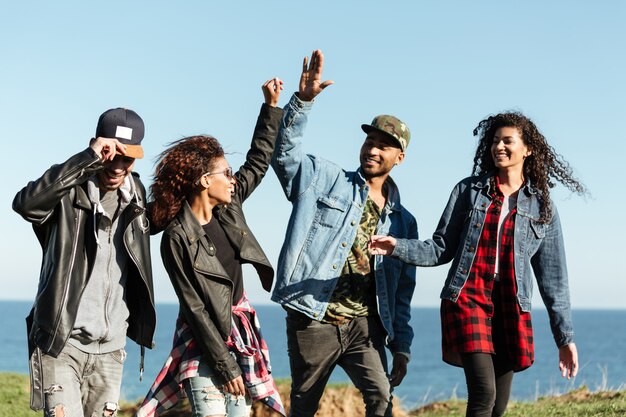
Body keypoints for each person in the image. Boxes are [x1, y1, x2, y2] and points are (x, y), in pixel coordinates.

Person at [369, 112, 584, 417]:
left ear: (528, 149)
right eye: (495, 141)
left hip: (511, 307)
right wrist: (397, 246)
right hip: (468, 300)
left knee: (497, 406)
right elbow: (440, 248)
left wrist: (565, 339)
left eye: (507, 141)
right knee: (483, 394)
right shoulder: (469, 192)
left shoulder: (542, 207)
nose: (499, 146)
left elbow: (554, 280)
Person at [270, 50, 418, 417]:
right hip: (313, 319)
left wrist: (401, 345)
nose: (372, 148)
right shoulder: (325, 178)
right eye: (370, 141)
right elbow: (285, 155)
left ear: (399, 157)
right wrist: (302, 102)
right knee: (304, 407)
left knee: (381, 399)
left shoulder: (404, 222)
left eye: (384, 145)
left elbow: (401, 293)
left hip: (363, 326)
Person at [135, 78, 285, 417]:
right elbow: (195, 308)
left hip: (239, 339)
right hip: (202, 343)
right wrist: (225, 365)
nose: (233, 179)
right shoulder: (177, 237)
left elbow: (259, 161)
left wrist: (271, 107)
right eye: (226, 173)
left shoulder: (230, 207)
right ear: (205, 181)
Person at [13, 108, 156, 417]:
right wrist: (86, 159)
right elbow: (25, 204)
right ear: (96, 145)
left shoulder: (137, 197)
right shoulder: (66, 190)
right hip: (60, 344)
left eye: (127, 159)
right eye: (110, 155)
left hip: (111, 349)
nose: (117, 166)